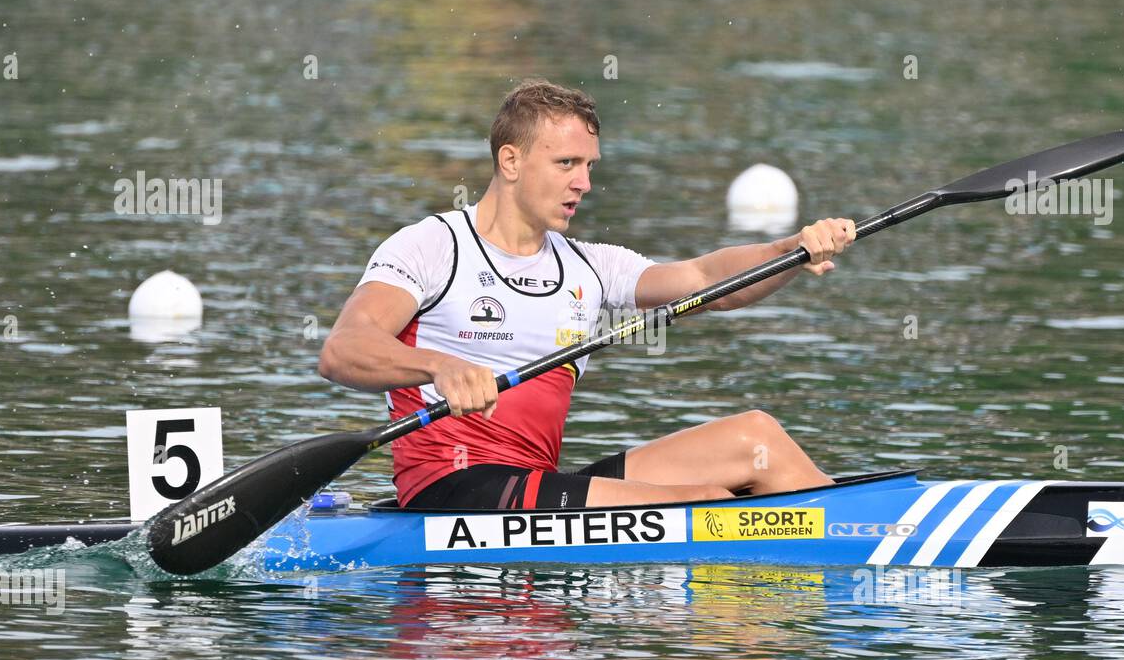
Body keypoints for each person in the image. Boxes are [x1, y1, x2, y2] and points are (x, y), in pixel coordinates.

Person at [318, 79, 856, 510]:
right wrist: (437, 367)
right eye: (566, 164)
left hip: (535, 483)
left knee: (755, 440)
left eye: (589, 166)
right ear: (510, 162)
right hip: (455, 489)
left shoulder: (588, 266)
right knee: (708, 505)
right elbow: (343, 350)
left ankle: (857, 542)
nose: (584, 184)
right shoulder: (435, 246)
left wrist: (793, 248)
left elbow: (704, 282)